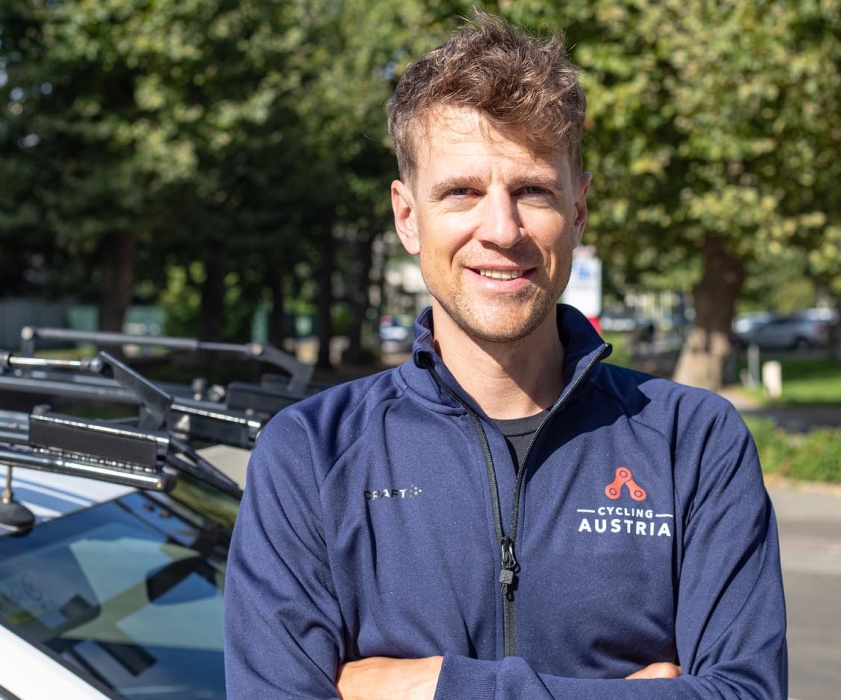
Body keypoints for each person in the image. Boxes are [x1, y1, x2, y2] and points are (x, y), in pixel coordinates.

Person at [225, 11, 787, 699]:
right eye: (461, 192)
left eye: (532, 191)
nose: (501, 230)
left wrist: (436, 688)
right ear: (408, 216)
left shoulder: (694, 443)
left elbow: (746, 693)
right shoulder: (310, 455)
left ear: (577, 210)